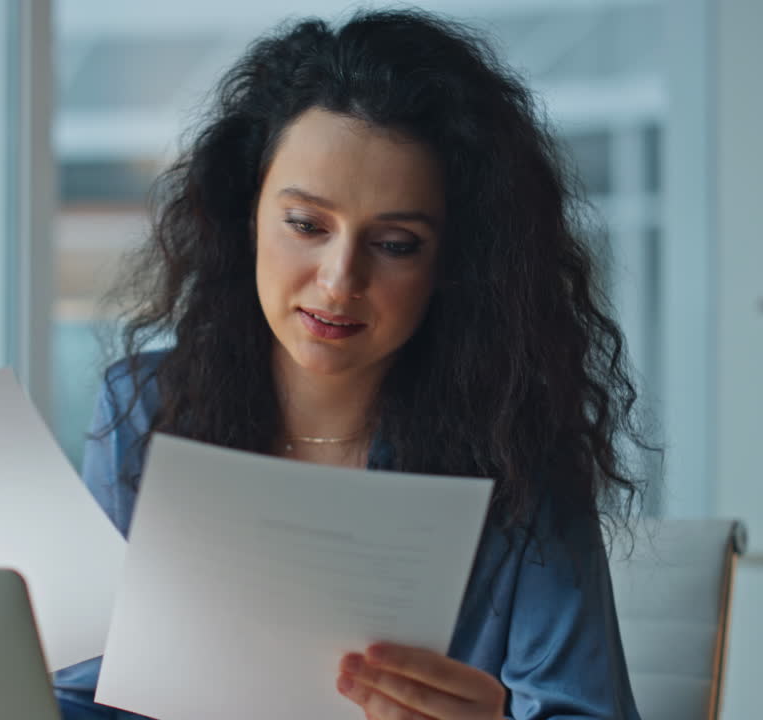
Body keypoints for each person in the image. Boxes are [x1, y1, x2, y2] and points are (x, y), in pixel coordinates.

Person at [55, 7, 649, 720]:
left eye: (396, 243)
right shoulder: (147, 407)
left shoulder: (517, 443)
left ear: (456, 264)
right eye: (305, 225)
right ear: (247, 216)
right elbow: (85, 691)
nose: (339, 281)